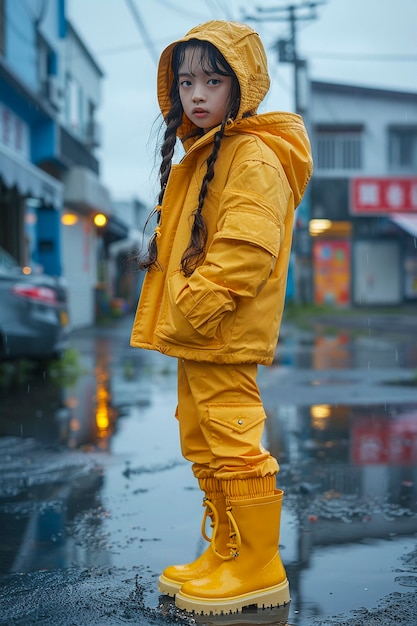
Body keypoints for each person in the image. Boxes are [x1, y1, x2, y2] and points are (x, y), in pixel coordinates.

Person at [130, 20, 312, 615]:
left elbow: (247, 249)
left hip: (221, 330)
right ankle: (229, 549)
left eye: (213, 80)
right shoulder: (209, 152)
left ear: (243, 87)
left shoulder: (252, 155)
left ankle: (258, 567)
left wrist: (197, 305)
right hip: (201, 332)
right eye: (186, 83)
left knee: (235, 442)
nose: (197, 95)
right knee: (203, 441)